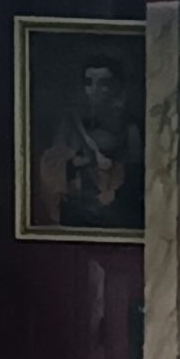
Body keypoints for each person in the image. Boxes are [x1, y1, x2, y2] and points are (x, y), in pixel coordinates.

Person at [37, 55, 143, 232]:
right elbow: (54, 165)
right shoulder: (71, 123)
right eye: (89, 83)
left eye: (104, 83)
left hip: (117, 210)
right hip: (79, 208)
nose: (95, 90)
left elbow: (137, 174)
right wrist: (77, 162)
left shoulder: (130, 127)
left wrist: (116, 193)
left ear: (117, 86)